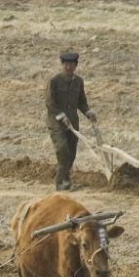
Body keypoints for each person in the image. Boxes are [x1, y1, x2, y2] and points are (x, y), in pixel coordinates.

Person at [45, 51, 98, 191]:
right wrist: (61, 116)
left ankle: (66, 178)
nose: (69, 67)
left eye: (71, 65)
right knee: (63, 150)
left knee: (72, 152)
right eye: (66, 64)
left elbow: (81, 102)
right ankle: (60, 183)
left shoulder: (79, 81)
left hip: (72, 124)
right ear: (62, 65)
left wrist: (88, 112)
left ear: (75, 65)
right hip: (56, 123)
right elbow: (50, 103)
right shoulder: (54, 81)